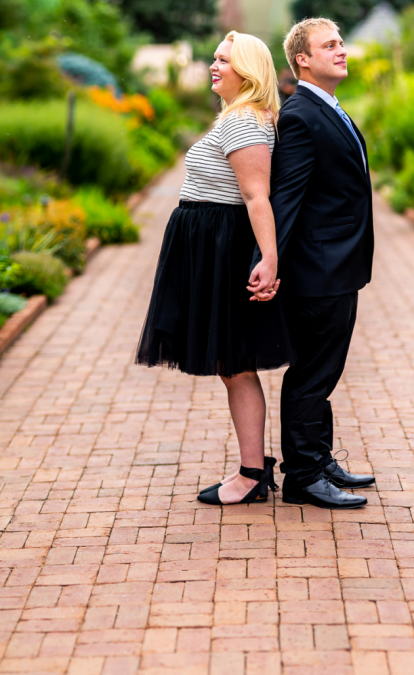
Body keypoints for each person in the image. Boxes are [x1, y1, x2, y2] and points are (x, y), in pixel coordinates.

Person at [136, 31, 292, 506]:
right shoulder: (238, 116)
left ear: (247, 70)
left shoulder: (244, 120)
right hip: (213, 245)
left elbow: (255, 195)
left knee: (236, 365)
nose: (213, 65)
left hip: (224, 249)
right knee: (233, 365)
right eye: (215, 58)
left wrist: (268, 257)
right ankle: (252, 469)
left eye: (224, 60)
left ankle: (251, 474)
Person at [264, 17, 375, 509]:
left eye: (341, 42)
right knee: (311, 372)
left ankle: (319, 457)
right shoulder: (300, 116)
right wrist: (268, 261)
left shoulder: (327, 106)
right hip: (318, 268)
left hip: (338, 264)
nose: (342, 49)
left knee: (324, 370)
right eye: (329, 45)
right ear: (302, 60)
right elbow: (285, 198)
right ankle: (303, 476)